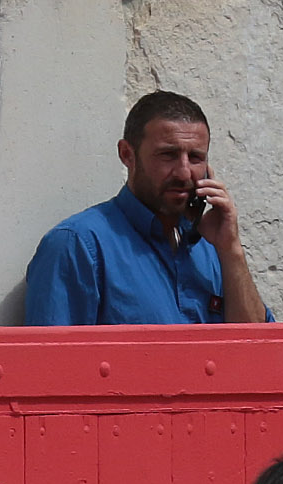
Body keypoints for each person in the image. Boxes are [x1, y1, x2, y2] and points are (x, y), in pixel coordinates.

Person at [25, 91, 268, 325]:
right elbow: (50, 363)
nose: (184, 172)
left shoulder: (211, 249)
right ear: (127, 154)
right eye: (168, 155)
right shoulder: (78, 246)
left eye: (195, 157)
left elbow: (257, 351)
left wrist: (231, 250)